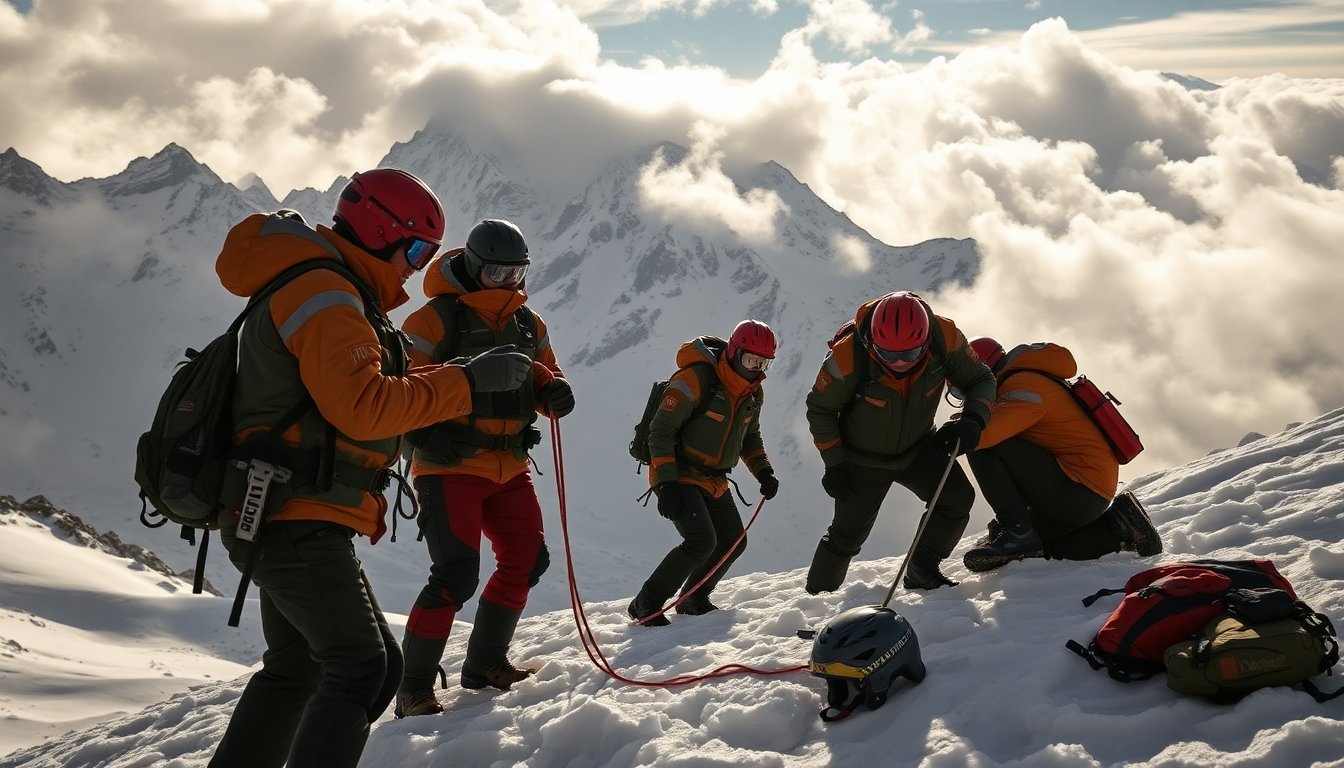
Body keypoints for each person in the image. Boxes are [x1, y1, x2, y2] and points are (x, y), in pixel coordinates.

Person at [209, 169, 532, 768]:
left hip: (289, 509)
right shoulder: (328, 295)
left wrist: (454, 381)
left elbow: (369, 391)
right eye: (415, 249)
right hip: (294, 513)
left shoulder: (333, 288)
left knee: (300, 667)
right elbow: (363, 409)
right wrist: (464, 382)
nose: (418, 265)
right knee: (362, 670)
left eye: (429, 254)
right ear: (382, 231)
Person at [394, 218, 573, 717]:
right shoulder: (434, 320)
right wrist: (422, 431)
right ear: (472, 266)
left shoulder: (527, 323)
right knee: (453, 575)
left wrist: (552, 392)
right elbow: (401, 384)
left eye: (517, 271)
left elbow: (544, 374)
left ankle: (484, 665)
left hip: (508, 465)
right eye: (496, 270)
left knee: (526, 561)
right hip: (448, 466)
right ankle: (412, 690)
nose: (508, 280)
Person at [804, 291, 996, 593]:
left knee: (956, 500)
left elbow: (981, 379)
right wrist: (835, 464)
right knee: (847, 537)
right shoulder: (847, 355)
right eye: (887, 354)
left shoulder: (944, 338)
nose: (899, 363)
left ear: (925, 339)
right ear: (871, 342)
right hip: (861, 460)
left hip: (919, 447)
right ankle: (817, 598)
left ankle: (921, 570)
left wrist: (973, 419)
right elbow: (820, 408)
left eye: (909, 354)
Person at [959, 338, 1161, 572]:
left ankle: (1017, 531)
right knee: (1030, 551)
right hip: (1084, 490)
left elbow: (983, 436)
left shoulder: (1022, 386)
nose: (965, 395)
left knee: (978, 443)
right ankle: (1116, 528)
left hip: (1079, 490)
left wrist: (953, 436)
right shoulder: (1021, 383)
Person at [628, 320, 780, 626]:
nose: (756, 368)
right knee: (701, 540)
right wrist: (667, 483)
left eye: (764, 363)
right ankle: (646, 604)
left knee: (733, 540)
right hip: (678, 472)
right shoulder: (697, 378)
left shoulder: (753, 393)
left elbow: (750, 437)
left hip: (714, 480)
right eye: (751, 360)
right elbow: (661, 429)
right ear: (734, 352)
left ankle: (694, 598)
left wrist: (763, 471)